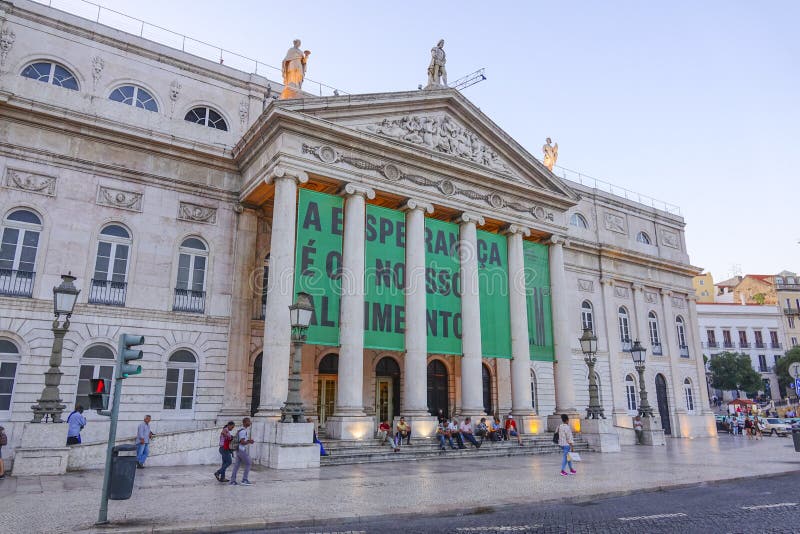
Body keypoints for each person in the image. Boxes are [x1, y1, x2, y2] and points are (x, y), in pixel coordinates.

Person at [230, 417, 254, 486]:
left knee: (236, 465)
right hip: (241, 450)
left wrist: (248, 441)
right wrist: (249, 441)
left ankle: (232, 481)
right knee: (249, 463)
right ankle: (244, 480)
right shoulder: (243, 431)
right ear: (244, 423)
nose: (250, 422)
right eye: (248, 421)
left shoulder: (241, 430)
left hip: (238, 450)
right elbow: (242, 442)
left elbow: (242, 441)